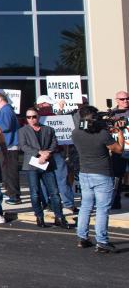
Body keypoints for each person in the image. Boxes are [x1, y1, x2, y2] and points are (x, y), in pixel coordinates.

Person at [71, 106, 125, 253]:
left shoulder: (75, 133)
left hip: (85, 174)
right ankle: (101, 241)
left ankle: (82, 238)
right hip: (102, 174)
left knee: (86, 206)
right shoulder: (102, 134)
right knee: (102, 209)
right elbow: (119, 149)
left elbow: (86, 129)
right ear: (93, 119)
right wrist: (119, 133)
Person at [18, 107, 70, 229]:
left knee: (54, 192)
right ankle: (39, 217)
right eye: (28, 117)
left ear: (39, 116)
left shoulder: (48, 129)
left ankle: (59, 217)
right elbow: (23, 146)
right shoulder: (23, 131)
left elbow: (54, 143)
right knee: (35, 193)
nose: (31, 119)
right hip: (32, 165)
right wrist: (39, 153)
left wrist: (47, 154)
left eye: (34, 116)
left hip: (47, 163)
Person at [35, 96, 76, 213]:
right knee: (55, 179)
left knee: (55, 180)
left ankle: (55, 204)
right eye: (48, 104)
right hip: (48, 154)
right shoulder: (38, 118)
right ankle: (66, 204)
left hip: (48, 154)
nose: (50, 106)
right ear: (41, 105)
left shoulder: (36, 118)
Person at [0, 93, 22, 205]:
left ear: (1, 100)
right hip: (6, 146)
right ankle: (10, 192)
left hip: (9, 146)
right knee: (6, 171)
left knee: (10, 172)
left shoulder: (5, 111)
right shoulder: (5, 111)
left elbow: (5, 126)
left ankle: (14, 196)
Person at [108, 90, 129, 210]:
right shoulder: (112, 114)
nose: (125, 101)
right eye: (122, 99)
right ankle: (116, 202)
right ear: (117, 100)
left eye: (127, 98)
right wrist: (114, 126)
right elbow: (106, 130)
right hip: (119, 149)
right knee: (117, 178)